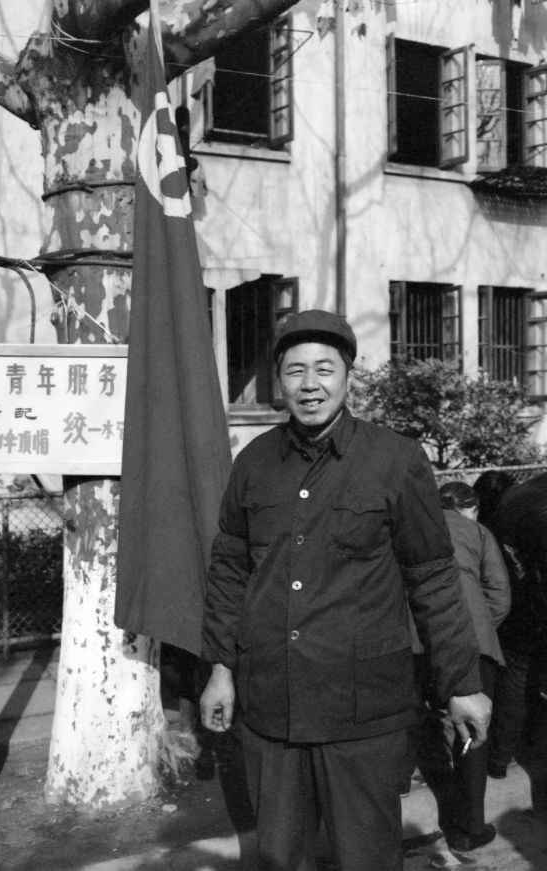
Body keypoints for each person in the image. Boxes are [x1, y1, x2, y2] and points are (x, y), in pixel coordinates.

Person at [199, 309, 491, 871]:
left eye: (325, 369)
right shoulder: (253, 463)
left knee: (367, 859)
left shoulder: (396, 459)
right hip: (271, 709)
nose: (311, 385)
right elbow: (230, 572)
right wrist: (219, 669)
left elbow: (433, 578)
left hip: (364, 711)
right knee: (282, 858)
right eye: (296, 371)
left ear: (347, 375)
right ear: (278, 381)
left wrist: (461, 683)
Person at [417, 481, 509, 852]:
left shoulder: (411, 527)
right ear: (469, 507)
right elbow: (500, 594)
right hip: (471, 638)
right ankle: (469, 826)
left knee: (408, 722)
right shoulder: (477, 531)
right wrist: (481, 629)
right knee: (472, 730)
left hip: (415, 640)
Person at [487, 472, 547, 778]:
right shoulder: (536, 502)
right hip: (532, 606)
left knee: (517, 680)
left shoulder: (518, 498)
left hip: (516, 607)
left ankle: (500, 758)